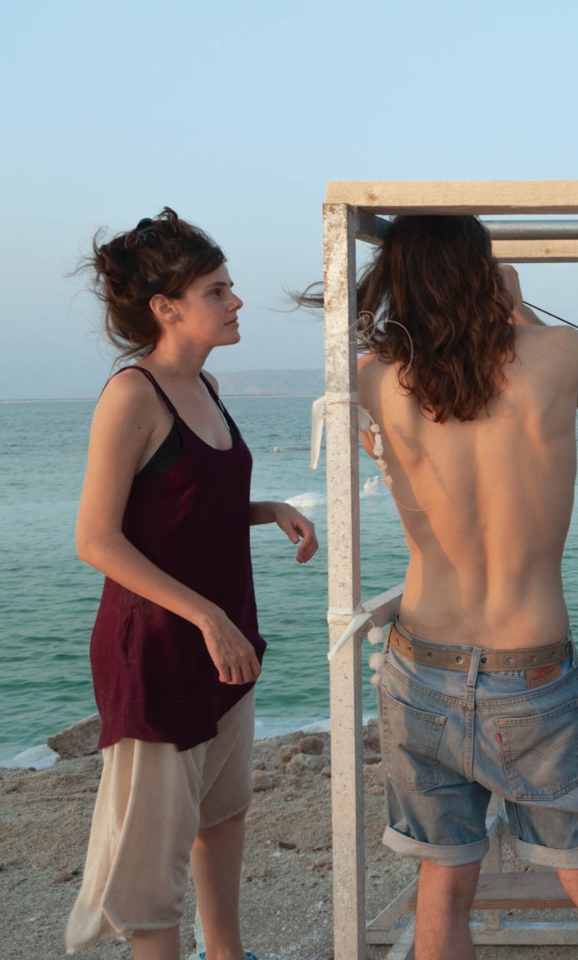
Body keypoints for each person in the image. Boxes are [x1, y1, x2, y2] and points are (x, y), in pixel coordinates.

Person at [313, 215, 578, 960]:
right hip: (527, 665)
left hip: (421, 665)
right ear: (484, 269)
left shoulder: (378, 377)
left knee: (442, 889)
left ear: (401, 282)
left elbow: (408, 365)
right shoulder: (558, 354)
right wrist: (517, 305)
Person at [68, 208, 320, 960]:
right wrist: (207, 617)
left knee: (223, 819)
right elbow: (96, 538)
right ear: (165, 307)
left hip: (227, 646)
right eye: (218, 289)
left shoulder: (204, 385)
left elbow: (182, 503)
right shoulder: (132, 395)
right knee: (150, 875)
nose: (236, 301)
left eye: (230, 286)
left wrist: (267, 509)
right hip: (159, 654)